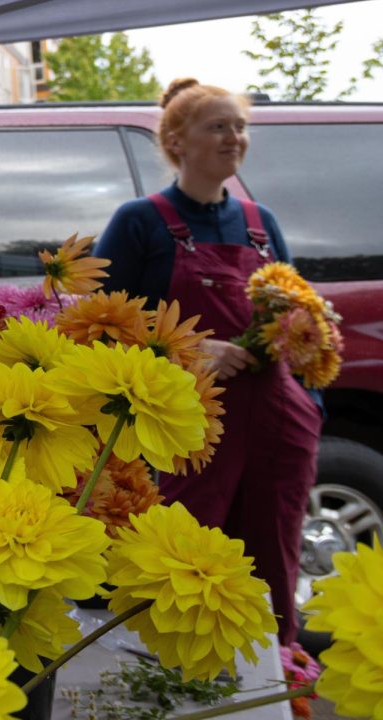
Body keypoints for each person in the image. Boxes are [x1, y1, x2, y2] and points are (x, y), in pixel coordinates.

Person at [94, 78, 321, 645]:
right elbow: (95, 325)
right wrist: (188, 350)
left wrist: (310, 385)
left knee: (274, 553)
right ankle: (177, 683)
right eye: (218, 126)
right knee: (183, 556)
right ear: (177, 140)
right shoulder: (140, 221)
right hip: (189, 429)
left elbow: (297, 307)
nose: (234, 137)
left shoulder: (259, 221)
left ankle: (276, 678)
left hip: (275, 421)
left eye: (239, 126)